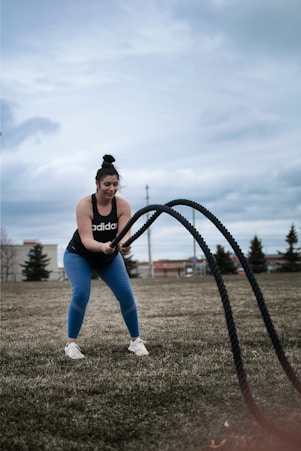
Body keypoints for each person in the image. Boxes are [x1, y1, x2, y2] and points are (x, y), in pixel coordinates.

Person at [63, 154, 149, 359]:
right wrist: (102, 247)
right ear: (97, 183)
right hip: (79, 255)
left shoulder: (123, 205)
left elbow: (123, 233)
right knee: (81, 293)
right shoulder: (85, 204)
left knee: (126, 294)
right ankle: (71, 345)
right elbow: (86, 240)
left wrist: (124, 244)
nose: (111, 189)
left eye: (115, 184)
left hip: (108, 257)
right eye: (107, 184)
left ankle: (136, 341)